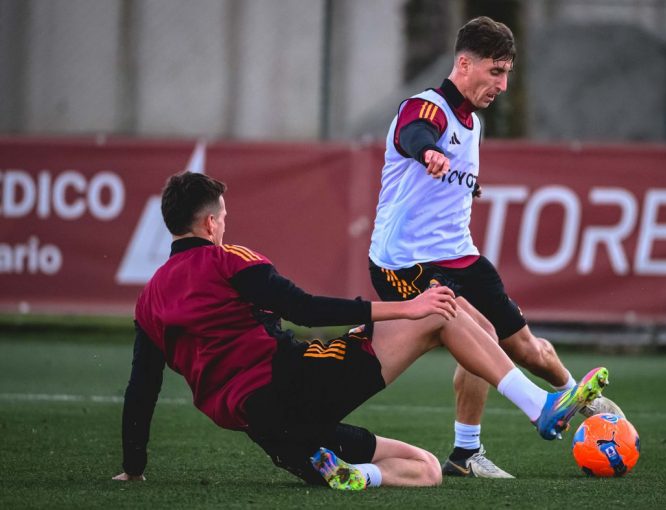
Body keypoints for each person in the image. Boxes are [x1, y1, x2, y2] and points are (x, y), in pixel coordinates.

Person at [112, 172, 610, 490]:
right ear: (210, 224)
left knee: (426, 468)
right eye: (223, 218)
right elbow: (305, 309)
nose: (225, 226)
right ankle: (539, 406)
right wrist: (404, 308)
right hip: (296, 382)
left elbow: (142, 388)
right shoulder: (227, 260)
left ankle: (356, 475)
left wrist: (134, 466)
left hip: (273, 433)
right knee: (439, 310)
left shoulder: (149, 299)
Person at [368, 16, 624, 479]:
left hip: (460, 255)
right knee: (480, 332)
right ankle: (472, 448)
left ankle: (583, 400)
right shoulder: (427, 107)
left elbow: (447, 179)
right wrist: (427, 152)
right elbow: (414, 133)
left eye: (507, 73)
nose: (503, 85)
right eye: (496, 72)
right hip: (404, 263)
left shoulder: (475, 124)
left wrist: (463, 185)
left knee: (527, 347)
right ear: (464, 64)